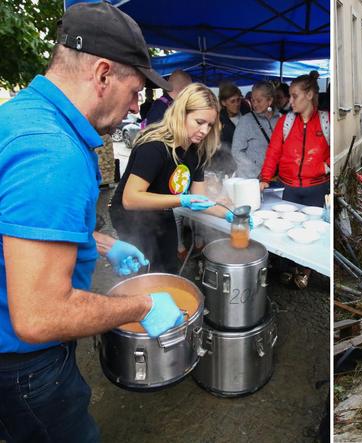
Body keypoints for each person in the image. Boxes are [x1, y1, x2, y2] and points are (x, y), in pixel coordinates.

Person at [0, 3, 184, 441]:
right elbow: (40, 315)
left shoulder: (21, 116)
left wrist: (101, 244)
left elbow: (17, 224)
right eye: (136, 90)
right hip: (25, 366)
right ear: (103, 74)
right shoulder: (53, 152)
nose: (136, 106)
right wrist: (143, 307)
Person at [110, 83, 235, 274]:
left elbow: (199, 198)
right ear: (181, 113)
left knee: (169, 267)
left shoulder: (196, 152)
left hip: (163, 210)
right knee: (145, 270)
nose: (204, 130)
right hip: (132, 217)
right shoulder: (154, 146)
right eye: (199, 122)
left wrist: (229, 215)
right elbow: (130, 199)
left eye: (209, 125)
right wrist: (182, 200)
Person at [259, 71, 330, 288]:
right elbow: (273, 152)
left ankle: (304, 269)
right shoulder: (286, 122)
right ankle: (289, 267)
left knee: (312, 231)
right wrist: (265, 178)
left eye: (295, 95)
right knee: (288, 230)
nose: (291, 101)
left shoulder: (326, 121)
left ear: (309, 95)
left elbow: (332, 151)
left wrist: (324, 165)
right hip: (289, 187)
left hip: (316, 188)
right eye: (290, 96)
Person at [232, 81, 281, 178]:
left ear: (270, 100)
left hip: (276, 177)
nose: (255, 104)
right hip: (252, 179)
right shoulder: (246, 120)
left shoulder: (281, 119)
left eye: (259, 101)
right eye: (253, 100)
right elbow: (236, 151)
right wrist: (256, 172)